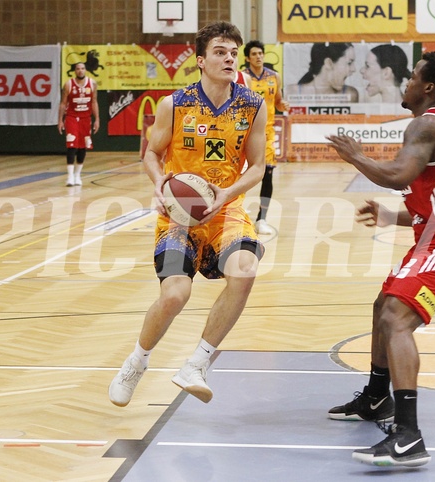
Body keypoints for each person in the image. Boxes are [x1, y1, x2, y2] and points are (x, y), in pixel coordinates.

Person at [326, 51, 435, 467]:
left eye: (413, 76)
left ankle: (409, 436)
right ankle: (378, 398)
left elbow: (398, 175)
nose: (406, 82)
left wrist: (355, 156)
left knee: (396, 316)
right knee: (384, 305)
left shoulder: (428, 122)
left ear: (428, 87)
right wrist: (391, 215)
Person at [109, 21, 267, 407]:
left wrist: (228, 191)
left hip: (225, 210)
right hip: (180, 216)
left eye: (233, 53)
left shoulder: (253, 105)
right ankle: (137, 361)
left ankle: (196, 364)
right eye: (219, 52)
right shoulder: (174, 104)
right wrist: (160, 183)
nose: (229, 58)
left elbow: (259, 166)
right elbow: (150, 154)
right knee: (175, 295)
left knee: (244, 271)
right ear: (200, 60)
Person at [242, 40, 290, 235]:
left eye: (260, 53)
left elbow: (277, 101)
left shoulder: (274, 76)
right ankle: (236, 210)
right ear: (247, 58)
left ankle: (261, 219)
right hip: (245, 130)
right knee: (236, 173)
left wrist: (282, 105)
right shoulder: (242, 77)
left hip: (267, 132)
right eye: (254, 54)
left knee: (267, 173)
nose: (258, 56)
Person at [57, 62, 100, 187]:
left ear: (86, 70)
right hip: (71, 117)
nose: (80, 71)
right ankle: (70, 176)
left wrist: (97, 119)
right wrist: (60, 120)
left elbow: (94, 102)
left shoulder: (92, 84)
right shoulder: (69, 84)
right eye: (78, 69)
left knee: (83, 147)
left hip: (85, 118)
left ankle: (77, 175)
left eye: (82, 68)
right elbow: (63, 103)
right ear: (74, 71)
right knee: (72, 145)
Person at [286, 43, 359, 103]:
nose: (354, 69)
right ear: (329, 63)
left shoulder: (350, 94)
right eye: (349, 63)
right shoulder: (292, 92)